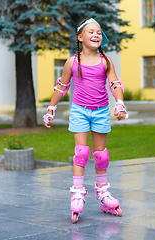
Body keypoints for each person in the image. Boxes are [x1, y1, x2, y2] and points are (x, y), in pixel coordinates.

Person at [43, 18, 128, 224]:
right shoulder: (72, 62)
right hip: (80, 111)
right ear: (80, 38)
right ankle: (78, 193)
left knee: (101, 156)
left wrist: (119, 103)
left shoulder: (106, 61)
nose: (96, 35)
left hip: (100, 112)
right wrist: (51, 109)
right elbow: (61, 86)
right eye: (91, 32)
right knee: (81, 153)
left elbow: (115, 83)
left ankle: (103, 194)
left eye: (99, 32)